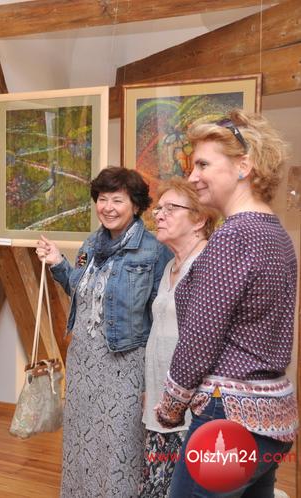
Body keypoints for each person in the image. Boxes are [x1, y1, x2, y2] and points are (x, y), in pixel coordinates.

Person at [156, 110, 298, 497]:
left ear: (243, 167)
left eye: (203, 164)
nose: (192, 177)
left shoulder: (234, 235)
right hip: (273, 420)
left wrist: (170, 405)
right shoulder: (276, 234)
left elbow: (200, 338)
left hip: (230, 418)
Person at [36, 166, 171, 497]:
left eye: (117, 200)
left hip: (125, 366)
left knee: (120, 446)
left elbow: (162, 319)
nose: (108, 207)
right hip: (83, 362)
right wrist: (58, 263)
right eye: (102, 199)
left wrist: (155, 382)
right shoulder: (91, 244)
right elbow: (81, 292)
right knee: (82, 442)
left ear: (136, 206)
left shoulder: (154, 251)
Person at [139, 177, 219, 497]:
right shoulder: (171, 265)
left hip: (191, 410)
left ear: (199, 219)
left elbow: (207, 344)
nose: (159, 215)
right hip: (161, 402)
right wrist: (150, 389)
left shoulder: (207, 265)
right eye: (158, 209)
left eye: (170, 208)